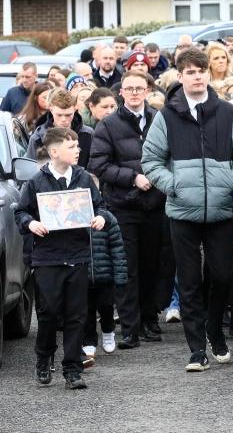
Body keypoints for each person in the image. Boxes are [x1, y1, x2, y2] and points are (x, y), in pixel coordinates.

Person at [141, 48, 233, 371]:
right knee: (189, 281)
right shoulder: (167, 116)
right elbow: (150, 160)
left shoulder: (227, 113)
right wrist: (174, 184)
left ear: (208, 74)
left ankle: (213, 327)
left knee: (223, 274)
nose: (197, 76)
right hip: (182, 213)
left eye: (201, 70)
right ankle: (196, 351)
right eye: (190, 71)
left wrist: (232, 180)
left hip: (220, 211)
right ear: (180, 76)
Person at [15, 127, 109, 390]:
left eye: (78, 146)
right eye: (72, 147)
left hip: (77, 255)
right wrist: (31, 223)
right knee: (48, 314)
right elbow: (21, 212)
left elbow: (100, 205)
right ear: (54, 151)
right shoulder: (36, 181)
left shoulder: (83, 178)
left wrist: (100, 217)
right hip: (47, 257)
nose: (78, 150)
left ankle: (72, 369)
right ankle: (44, 359)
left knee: (76, 314)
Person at [89, 70, 167, 349]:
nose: (134, 93)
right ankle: (131, 328)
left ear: (147, 90)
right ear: (121, 92)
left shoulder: (160, 119)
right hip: (124, 205)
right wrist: (132, 178)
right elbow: (99, 164)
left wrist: (157, 180)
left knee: (152, 265)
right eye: (129, 88)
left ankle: (150, 320)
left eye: (139, 88)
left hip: (155, 204)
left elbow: (169, 157)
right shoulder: (108, 125)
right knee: (127, 267)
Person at [82, 206, 128, 365]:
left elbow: (117, 249)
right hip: (82, 275)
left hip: (105, 275)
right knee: (85, 310)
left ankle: (108, 331)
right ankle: (88, 341)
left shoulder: (107, 217)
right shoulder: (72, 216)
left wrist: (120, 276)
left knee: (106, 306)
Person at [27, 88, 94, 168]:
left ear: (75, 109)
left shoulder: (88, 134)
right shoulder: (38, 138)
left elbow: (94, 167)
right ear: (51, 110)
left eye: (68, 115)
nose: (64, 119)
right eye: (59, 115)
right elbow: (30, 172)